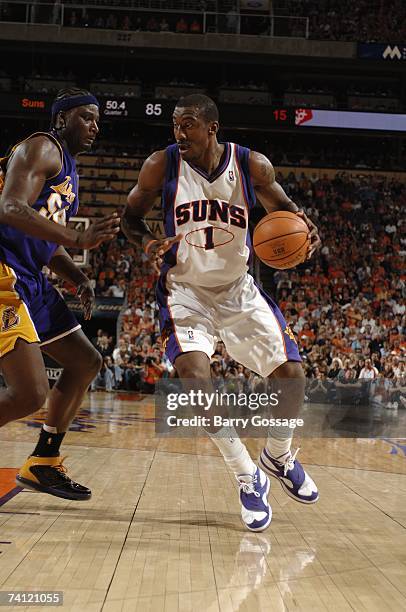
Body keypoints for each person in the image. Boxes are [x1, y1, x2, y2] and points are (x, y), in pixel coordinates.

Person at [122, 94, 320, 532]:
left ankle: (278, 456)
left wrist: (307, 235)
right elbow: (129, 218)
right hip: (186, 291)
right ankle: (247, 476)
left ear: (212, 127)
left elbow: (288, 215)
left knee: (292, 376)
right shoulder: (161, 165)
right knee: (195, 380)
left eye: (188, 124)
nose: (179, 133)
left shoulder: (252, 166)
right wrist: (146, 243)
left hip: (237, 290)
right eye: (175, 125)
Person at [0, 88, 120, 500]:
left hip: (29, 276)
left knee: (86, 360)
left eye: (98, 119)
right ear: (60, 120)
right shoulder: (41, 147)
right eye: (86, 117)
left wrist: (78, 277)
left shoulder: (70, 171)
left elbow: (46, 244)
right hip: (2, 273)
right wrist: (77, 236)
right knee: (29, 393)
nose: (94, 126)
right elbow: (10, 208)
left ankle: (43, 463)